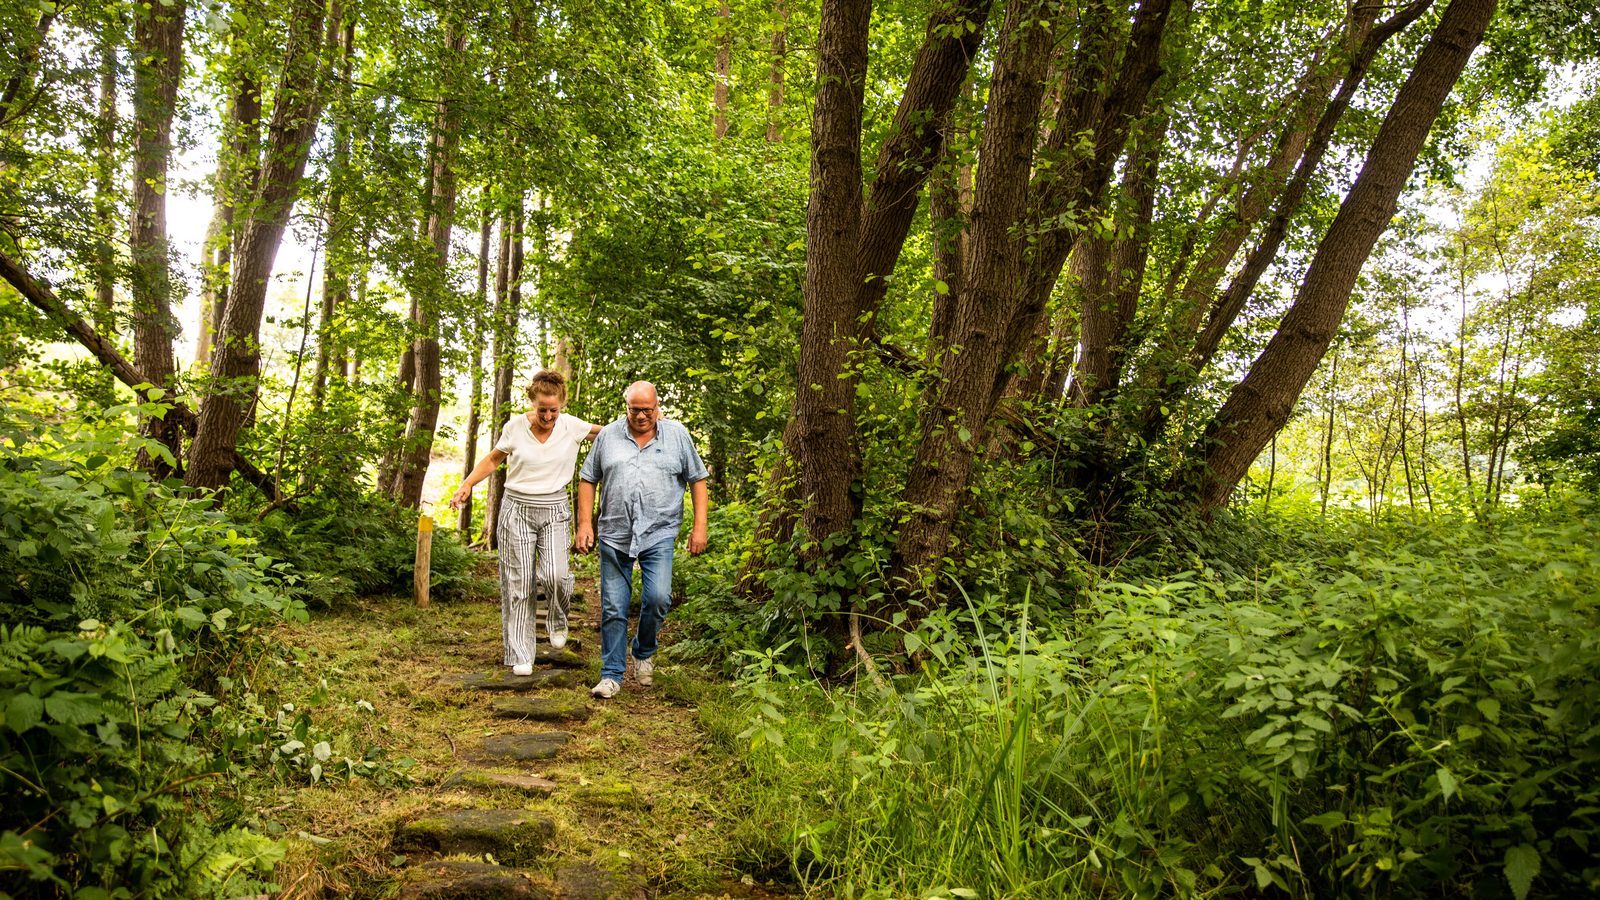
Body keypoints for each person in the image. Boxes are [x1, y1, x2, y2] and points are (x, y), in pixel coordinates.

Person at [451, 370, 600, 676]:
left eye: (553, 410)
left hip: (555, 509)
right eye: (542, 409)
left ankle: (558, 619)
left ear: (562, 405)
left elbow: (611, 431)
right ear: (532, 402)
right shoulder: (515, 426)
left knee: (556, 575)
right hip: (516, 508)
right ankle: (521, 652)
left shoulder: (572, 426)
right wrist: (467, 484)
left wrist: (650, 419)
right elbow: (493, 459)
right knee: (518, 584)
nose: (547, 416)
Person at [574, 381, 709, 699]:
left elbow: (698, 480)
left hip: (659, 532)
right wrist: (584, 524)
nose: (641, 416)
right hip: (614, 532)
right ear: (627, 408)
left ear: (657, 407)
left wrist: (700, 527)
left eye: (647, 409)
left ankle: (644, 650)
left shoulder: (677, 436)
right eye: (635, 409)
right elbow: (587, 478)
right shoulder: (608, 435)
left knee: (659, 598)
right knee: (613, 607)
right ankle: (611, 675)